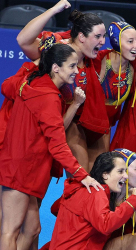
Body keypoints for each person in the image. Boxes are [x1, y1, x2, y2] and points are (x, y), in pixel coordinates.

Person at [0, 44, 102, 250]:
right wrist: (83, 175)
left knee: (32, 230)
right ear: (56, 67)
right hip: (19, 170)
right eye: (72, 66)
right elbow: (58, 144)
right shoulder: (48, 98)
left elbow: (8, 85)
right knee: (10, 230)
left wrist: (73, 104)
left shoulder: (33, 81)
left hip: (27, 168)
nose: (77, 70)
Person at [17, 0, 109, 172]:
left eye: (104, 37)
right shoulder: (56, 50)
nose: (103, 41)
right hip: (40, 130)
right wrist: (53, 10)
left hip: (73, 123)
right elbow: (23, 40)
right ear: (81, 36)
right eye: (97, 37)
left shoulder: (92, 61)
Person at [49, 151, 136, 250]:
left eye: (125, 171)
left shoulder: (79, 188)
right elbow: (106, 225)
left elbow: (55, 208)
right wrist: (134, 199)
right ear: (105, 175)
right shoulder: (96, 192)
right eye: (120, 171)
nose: (126, 176)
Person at [94, 21, 136, 144]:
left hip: (106, 128)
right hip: (83, 127)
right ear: (116, 42)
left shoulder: (134, 68)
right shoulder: (99, 61)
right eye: (130, 41)